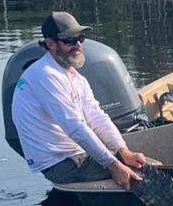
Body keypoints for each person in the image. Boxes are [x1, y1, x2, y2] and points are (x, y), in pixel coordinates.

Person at [11, 12, 156, 190]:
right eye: (69, 41)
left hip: (74, 153)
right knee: (144, 171)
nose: (78, 44)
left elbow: (97, 117)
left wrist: (123, 151)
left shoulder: (76, 77)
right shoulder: (45, 75)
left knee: (138, 161)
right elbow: (74, 126)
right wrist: (113, 165)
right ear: (50, 44)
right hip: (59, 162)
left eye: (80, 38)